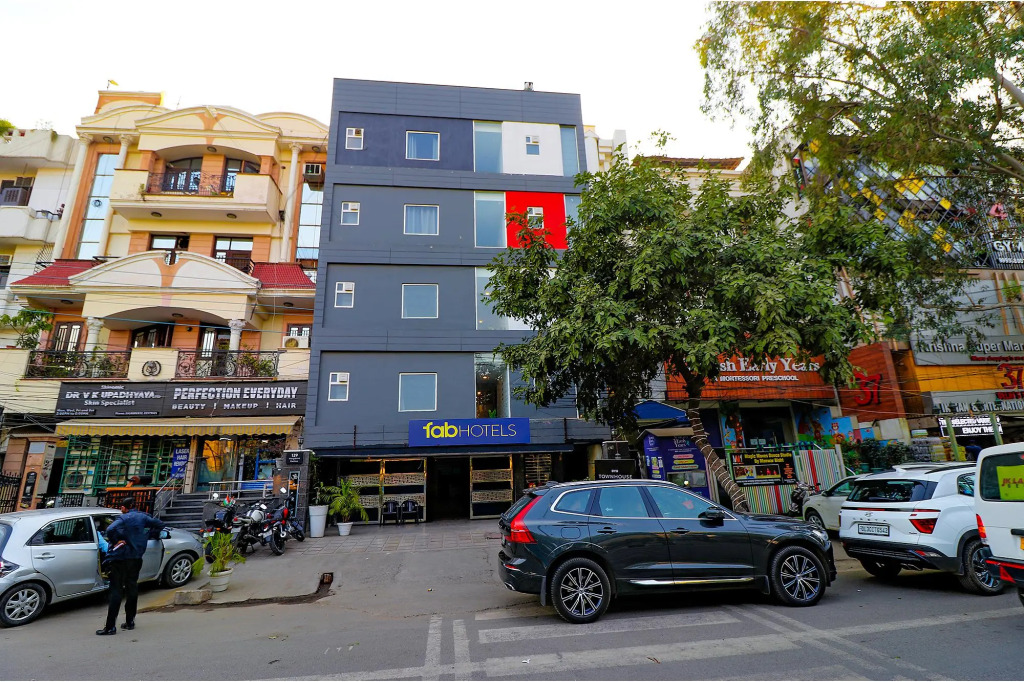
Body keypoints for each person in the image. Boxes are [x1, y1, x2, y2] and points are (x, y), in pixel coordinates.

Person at [96, 497, 164, 636]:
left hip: (120, 558)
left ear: (123, 507)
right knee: (132, 588)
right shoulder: (143, 518)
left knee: (116, 590)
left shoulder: (123, 518)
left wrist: (116, 540)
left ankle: (110, 627)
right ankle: (130, 621)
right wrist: (147, 535)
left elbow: (110, 529)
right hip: (136, 558)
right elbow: (160, 524)